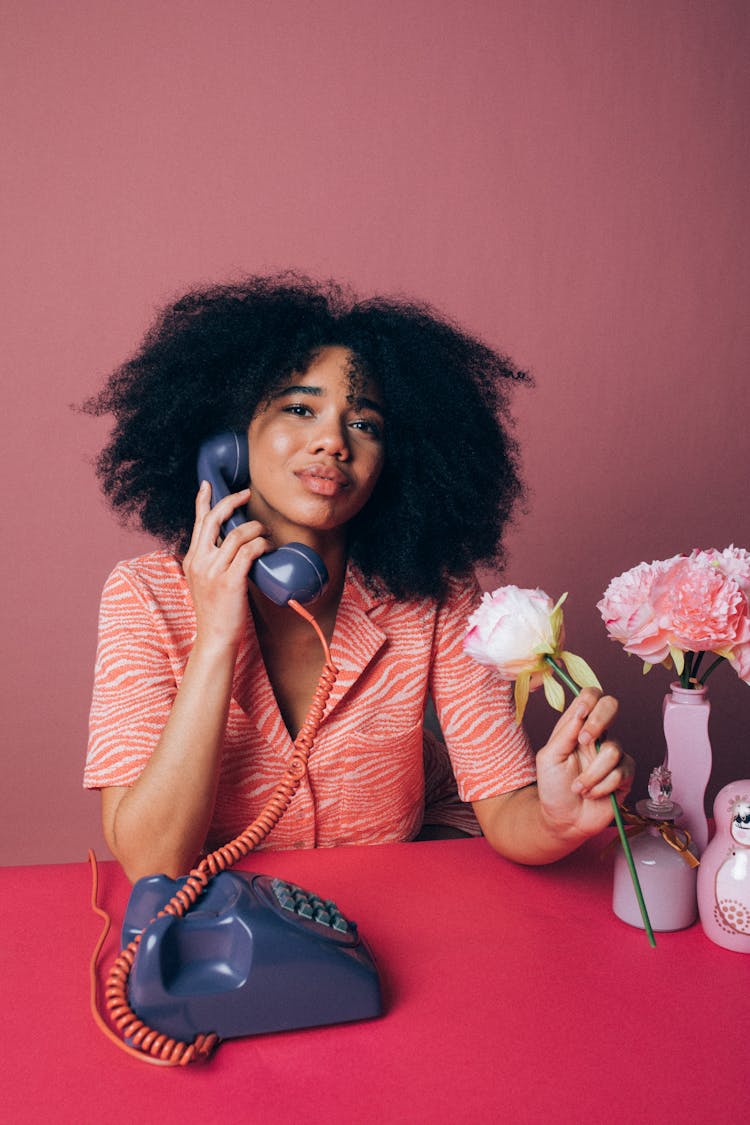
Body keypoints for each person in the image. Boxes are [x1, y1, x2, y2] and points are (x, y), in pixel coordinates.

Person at [83, 274, 633, 882]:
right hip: (234, 920)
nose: (332, 441)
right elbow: (151, 861)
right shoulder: (144, 596)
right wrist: (215, 637)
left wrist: (558, 818)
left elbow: (505, 806)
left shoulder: (436, 593)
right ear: (231, 440)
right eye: (299, 408)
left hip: (403, 897)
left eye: (364, 423)